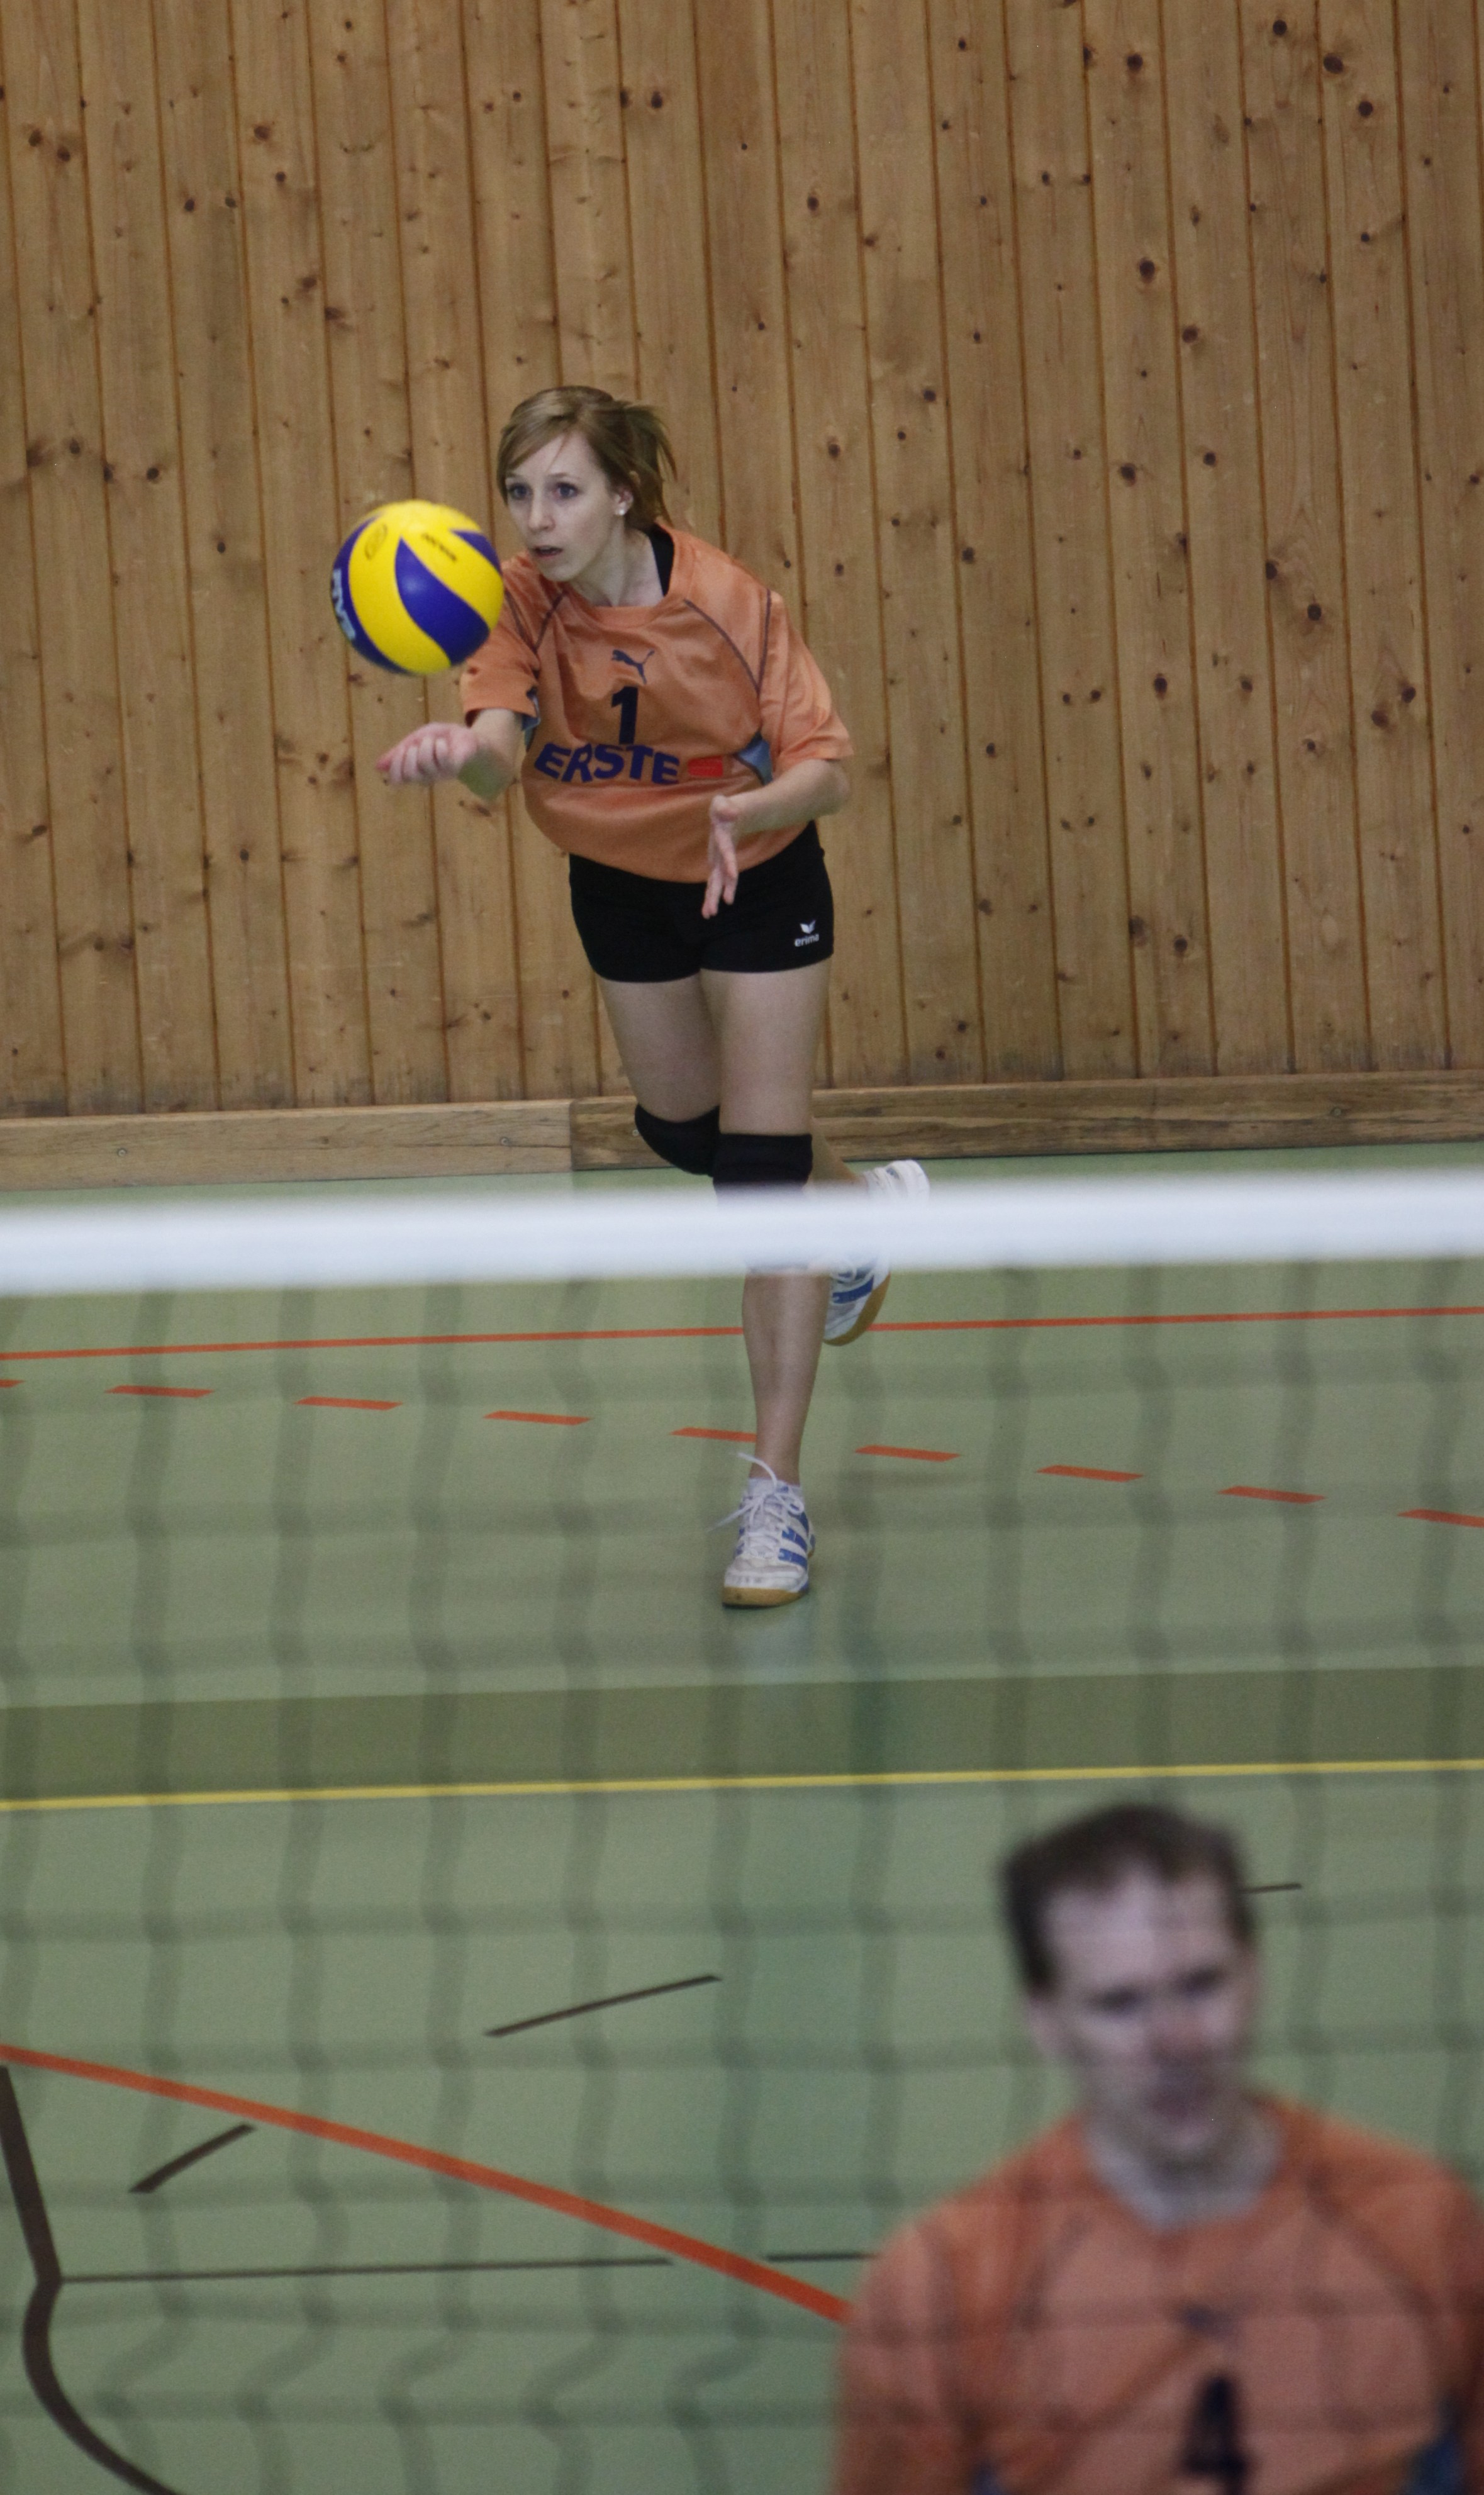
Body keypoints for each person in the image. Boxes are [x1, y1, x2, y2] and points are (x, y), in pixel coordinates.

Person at [377, 386, 925, 1608]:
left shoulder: (728, 604)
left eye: (563, 490)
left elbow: (829, 774)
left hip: (755, 876)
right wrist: (460, 754)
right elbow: (500, 752)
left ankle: (774, 1495)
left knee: (758, 1181)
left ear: (624, 493)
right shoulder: (513, 598)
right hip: (620, 884)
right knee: (685, 1132)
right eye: (519, 492)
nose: (536, 517)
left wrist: (747, 807)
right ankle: (863, 1212)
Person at [834, 1801, 1484, 2494]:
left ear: (1253, 1974)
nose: (1175, 2042)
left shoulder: (1420, 2225)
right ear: (1045, 2022)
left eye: (1202, 1984)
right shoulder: (942, 2287)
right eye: (1119, 2003)